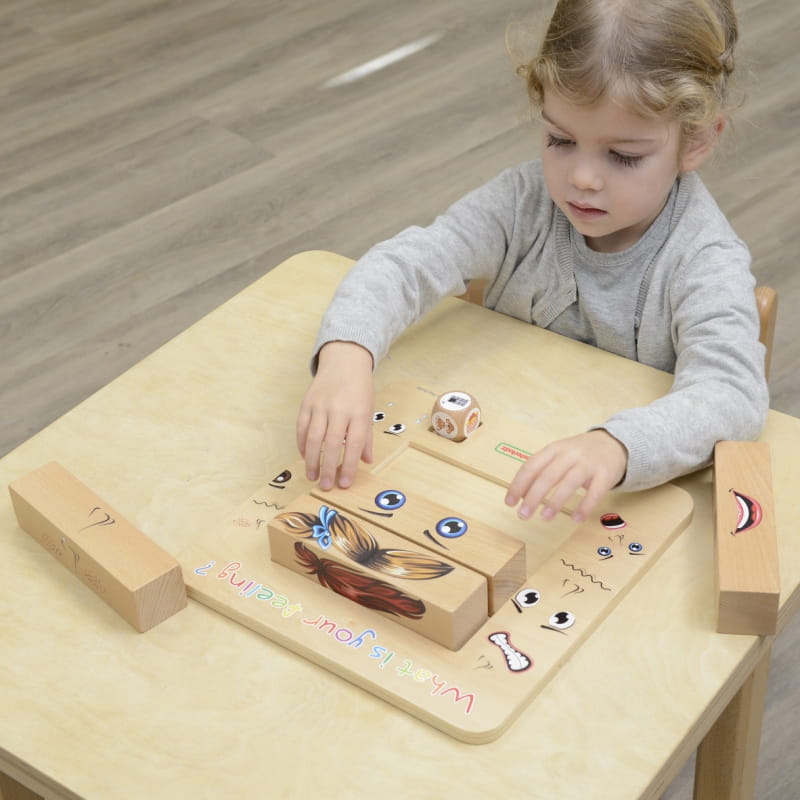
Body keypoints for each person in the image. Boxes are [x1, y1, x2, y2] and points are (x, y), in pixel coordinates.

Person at [295, 0, 768, 524]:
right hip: (485, 468)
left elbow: (731, 395)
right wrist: (346, 356)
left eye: (624, 156)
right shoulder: (521, 202)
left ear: (696, 140)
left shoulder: (705, 259)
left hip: (605, 503)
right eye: (560, 140)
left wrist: (616, 446)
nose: (582, 178)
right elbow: (407, 265)